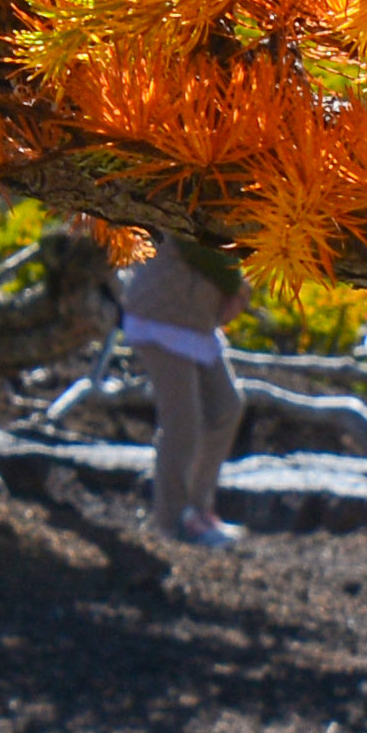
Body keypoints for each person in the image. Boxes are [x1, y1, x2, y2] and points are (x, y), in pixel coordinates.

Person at [111, 226, 245, 550]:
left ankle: (198, 507)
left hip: (194, 318)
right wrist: (235, 285)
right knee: (182, 424)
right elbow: (196, 243)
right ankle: (173, 521)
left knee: (227, 406)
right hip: (161, 315)